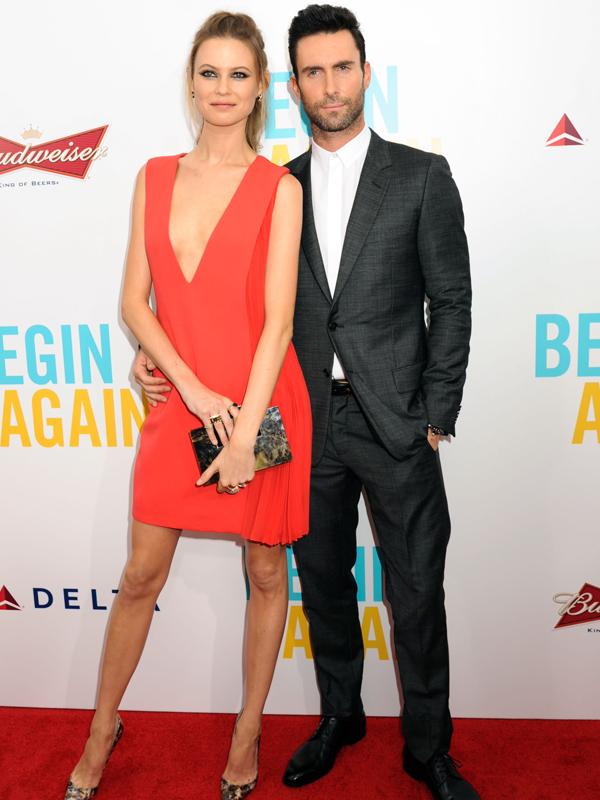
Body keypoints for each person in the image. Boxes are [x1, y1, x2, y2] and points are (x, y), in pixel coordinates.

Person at [137, 5, 477, 800]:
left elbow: (452, 301)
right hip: (299, 418)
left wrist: (436, 411)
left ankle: (428, 746)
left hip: (397, 422)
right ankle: (340, 716)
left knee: (417, 589)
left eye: (343, 67)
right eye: (313, 71)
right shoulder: (272, 186)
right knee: (321, 581)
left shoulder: (422, 176)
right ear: (292, 86)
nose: (330, 84)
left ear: (365, 71)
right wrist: (151, 368)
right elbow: (226, 308)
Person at [65, 11, 311, 800]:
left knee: (266, 568)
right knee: (140, 573)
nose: (223, 89)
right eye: (210, 72)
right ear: (189, 81)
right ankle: (103, 725)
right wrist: (194, 390)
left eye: (239, 74)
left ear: (262, 86)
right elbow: (135, 304)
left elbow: (278, 325)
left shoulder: (279, 187)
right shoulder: (154, 176)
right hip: (183, 401)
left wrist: (241, 433)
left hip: (264, 403)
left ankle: (248, 729)